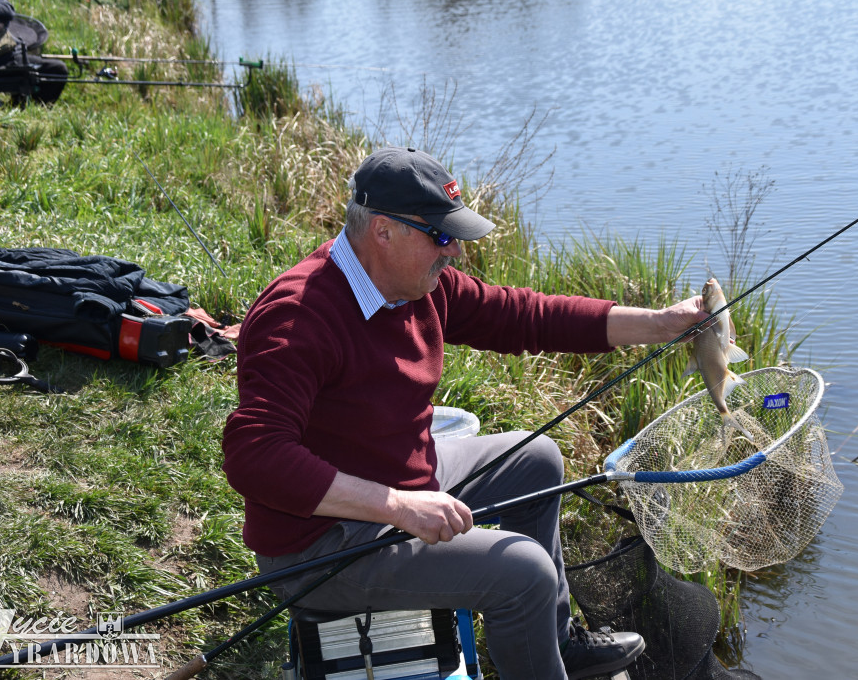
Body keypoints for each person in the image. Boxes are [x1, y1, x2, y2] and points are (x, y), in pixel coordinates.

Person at [221, 146, 708, 679]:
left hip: (401, 481)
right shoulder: (297, 317)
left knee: (537, 458)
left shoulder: (416, 287)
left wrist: (660, 324)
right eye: (441, 236)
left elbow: (527, 317)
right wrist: (399, 507)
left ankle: (553, 642)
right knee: (524, 571)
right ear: (383, 231)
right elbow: (255, 457)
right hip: (320, 547)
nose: (454, 252)